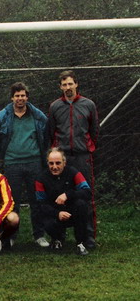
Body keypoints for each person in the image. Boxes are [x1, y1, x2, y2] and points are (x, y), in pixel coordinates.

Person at [0, 82, 49, 247]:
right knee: (12, 202)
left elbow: (45, 138)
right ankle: (11, 235)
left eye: (23, 95)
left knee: (37, 201)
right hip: (12, 163)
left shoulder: (38, 116)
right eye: (17, 96)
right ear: (12, 97)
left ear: (27, 97)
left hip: (34, 163)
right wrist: (3, 158)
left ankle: (39, 235)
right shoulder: (2, 117)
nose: (20, 98)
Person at [48, 70, 99, 248]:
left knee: (86, 195)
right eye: (64, 85)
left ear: (76, 84)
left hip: (82, 156)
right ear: (60, 87)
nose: (67, 87)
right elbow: (51, 132)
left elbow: (94, 130)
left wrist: (87, 147)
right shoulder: (55, 106)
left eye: (70, 84)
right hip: (63, 159)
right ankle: (59, 236)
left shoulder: (88, 105)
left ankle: (88, 237)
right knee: (59, 196)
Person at [35, 148, 91, 255]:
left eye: (58, 163)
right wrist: (57, 213)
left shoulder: (73, 172)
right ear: (47, 163)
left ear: (64, 163)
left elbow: (87, 192)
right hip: (54, 213)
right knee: (44, 218)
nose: (54, 167)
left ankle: (81, 243)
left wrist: (68, 194)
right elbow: (41, 204)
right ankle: (57, 238)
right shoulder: (41, 179)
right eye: (51, 163)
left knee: (82, 205)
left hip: (71, 210)